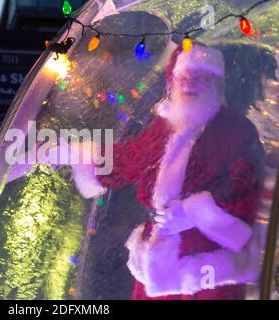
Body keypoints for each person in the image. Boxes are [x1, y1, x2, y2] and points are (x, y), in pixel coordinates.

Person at [45, 43, 265, 299]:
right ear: (173, 81)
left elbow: (245, 190)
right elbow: (130, 159)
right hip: (158, 256)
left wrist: (194, 213)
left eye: (200, 77)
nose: (190, 84)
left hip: (207, 265)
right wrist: (69, 152)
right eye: (185, 76)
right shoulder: (165, 125)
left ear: (216, 83)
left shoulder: (237, 131)